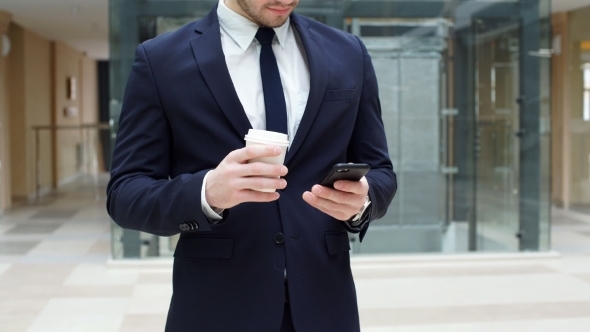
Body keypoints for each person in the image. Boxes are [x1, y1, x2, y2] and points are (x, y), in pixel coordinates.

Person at [106, 0, 397, 330]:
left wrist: (363, 201)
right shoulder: (161, 60)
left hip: (326, 306)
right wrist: (206, 193)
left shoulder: (348, 52)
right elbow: (125, 194)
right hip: (216, 310)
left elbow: (381, 172)